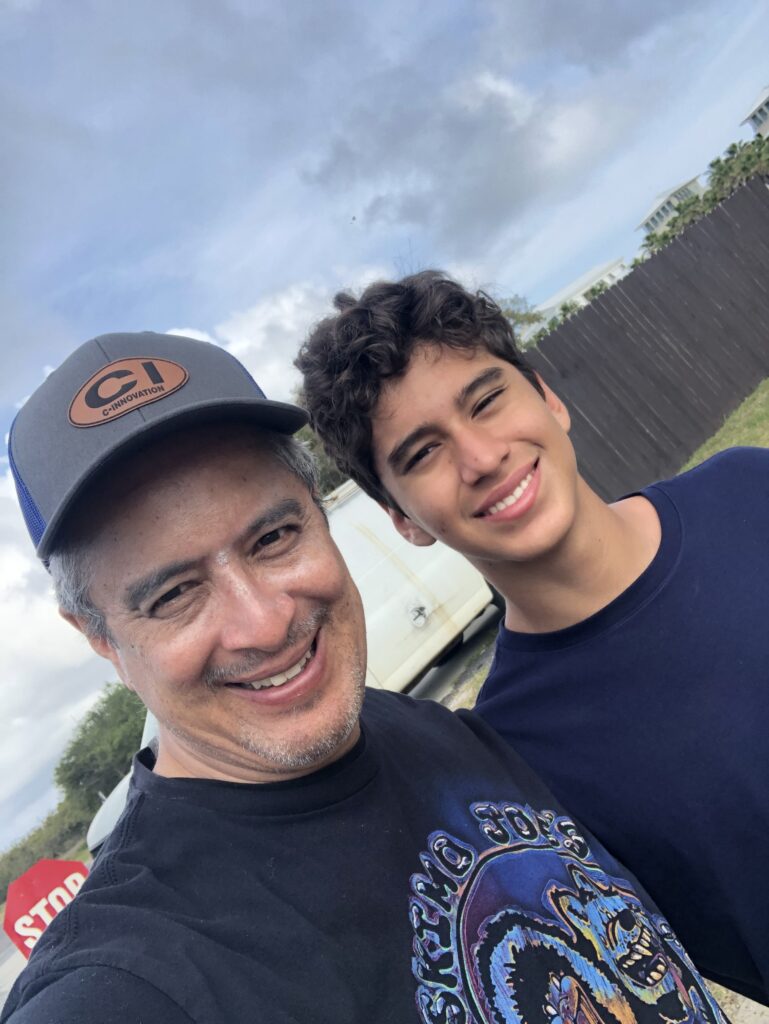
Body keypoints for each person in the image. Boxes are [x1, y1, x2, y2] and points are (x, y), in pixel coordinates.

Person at [2, 332, 726, 1024]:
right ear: (99, 637)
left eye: (274, 538)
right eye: (174, 595)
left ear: (321, 516)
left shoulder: (438, 733)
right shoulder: (126, 981)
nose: (264, 623)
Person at [296, 269, 769, 1006]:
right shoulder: (517, 768)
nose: (481, 457)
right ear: (404, 520)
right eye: (423, 453)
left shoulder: (747, 490)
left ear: (548, 397)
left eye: (486, 400)